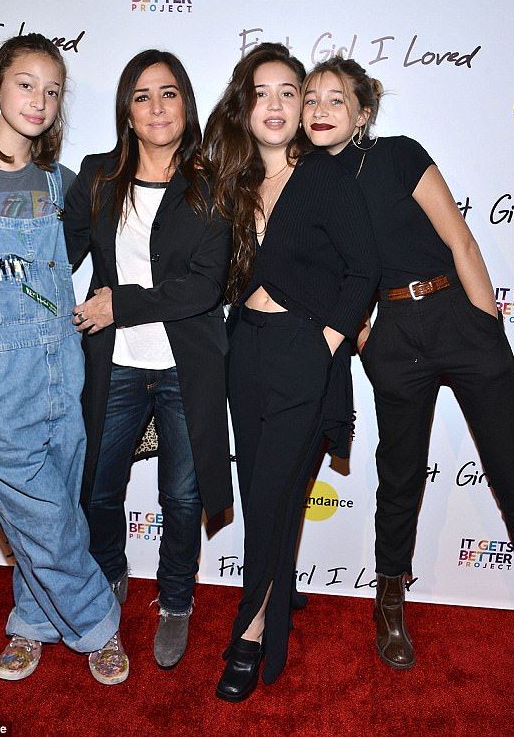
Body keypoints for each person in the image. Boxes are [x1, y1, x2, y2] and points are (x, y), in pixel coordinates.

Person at [302, 56, 514, 675]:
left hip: (458, 315)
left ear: (363, 113)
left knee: (511, 466)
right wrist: (367, 338)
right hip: (393, 335)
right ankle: (389, 600)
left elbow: (459, 239)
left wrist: (486, 325)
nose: (319, 110)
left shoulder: (399, 155)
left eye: (335, 99)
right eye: (310, 99)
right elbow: (328, 275)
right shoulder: (309, 184)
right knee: (399, 477)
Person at [0, 33, 126, 684]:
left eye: (52, 91)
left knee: (52, 510)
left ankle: (33, 622)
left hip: (62, 368)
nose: (38, 100)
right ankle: (98, 623)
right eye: (24, 84)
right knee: (42, 515)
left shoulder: (60, 183)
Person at [204, 43, 379, 700]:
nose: (276, 105)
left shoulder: (325, 176)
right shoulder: (239, 183)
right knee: (260, 494)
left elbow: (365, 269)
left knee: (273, 495)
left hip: (302, 353)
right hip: (244, 351)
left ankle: (251, 634)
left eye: (289, 92)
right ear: (244, 106)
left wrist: (326, 341)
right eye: (262, 92)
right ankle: (276, 595)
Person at [63, 49, 232, 671]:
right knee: (98, 487)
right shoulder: (99, 176)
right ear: (127, 113)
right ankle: (109, 573)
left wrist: (123, 303)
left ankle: (176, 600)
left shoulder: (214, 183)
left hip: (187, 366)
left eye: (168, 93)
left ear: (186, 104)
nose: (156, 107)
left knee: (183, 498)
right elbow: (59, 254)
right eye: (142, 96)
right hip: (116, 364)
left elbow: (205, 286)